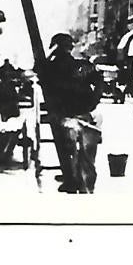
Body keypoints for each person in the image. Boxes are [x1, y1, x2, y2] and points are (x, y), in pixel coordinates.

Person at [38, 32, 103, 194]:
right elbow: (98, 80)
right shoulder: (81, 66)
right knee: (86, 152)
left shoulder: (51, 67)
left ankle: (72, 180)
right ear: (70, 48)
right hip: (83, 112)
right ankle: (84, 183)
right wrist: (93, 101)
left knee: (70, 150)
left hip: (65, 114)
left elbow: (39, 72)